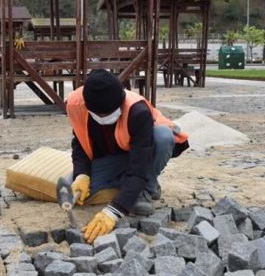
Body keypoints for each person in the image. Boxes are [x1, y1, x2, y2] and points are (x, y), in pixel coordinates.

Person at [65, 69, 189, 243]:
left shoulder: (138, 112)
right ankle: (131, 183)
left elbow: (139, 164)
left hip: (143, 153)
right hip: (111, 159)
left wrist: (112, 212)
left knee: (162, 136)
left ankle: (146, 188)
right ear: (88, 106)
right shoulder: (75, 104)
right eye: (99, 115)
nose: (104, 118)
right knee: (70, 187)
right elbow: (79, 143)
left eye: (108, 113)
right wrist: (81, 174)